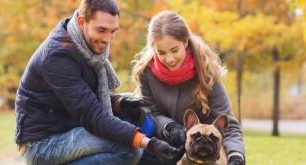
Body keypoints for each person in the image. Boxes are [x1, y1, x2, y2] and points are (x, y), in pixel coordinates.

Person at [14, 1, 184, 165]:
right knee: (129, 150)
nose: (108, 39)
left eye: (112, 31)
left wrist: (119, 103)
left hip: (69, 123)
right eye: (102, 30)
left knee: (132, 106)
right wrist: (148, 143)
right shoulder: (58, 57)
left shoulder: (83, 43)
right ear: (82, 22)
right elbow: (92, 116)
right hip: (42, 143)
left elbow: (86, 96)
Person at [131, 11, 246, 165]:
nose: (169, 59)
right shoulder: (146, 72)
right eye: (161, 53)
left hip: (204, 156)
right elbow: (150, 112)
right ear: (153, 48)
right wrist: (169, 126)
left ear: (185, 42)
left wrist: (236, 155)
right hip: (163, 148)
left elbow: (229, 125)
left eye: (174, 50)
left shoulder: (207, 72)